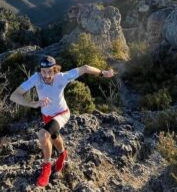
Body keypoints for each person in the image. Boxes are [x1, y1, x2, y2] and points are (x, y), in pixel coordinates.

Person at [10, 55, 115, 187]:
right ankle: (62, 154)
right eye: (44, 71)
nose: (47, 75)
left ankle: (46, 166)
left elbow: (85, 68)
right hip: (47, 116)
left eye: (50, 71)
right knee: (54, 137)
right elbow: (14, 96)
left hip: (62, 113)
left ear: (55, 70)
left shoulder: (62, 77)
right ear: (40, 70)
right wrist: (34, 103)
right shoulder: (36, 78)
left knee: (43, 135)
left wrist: (102, 73)